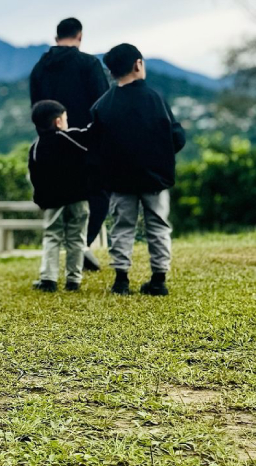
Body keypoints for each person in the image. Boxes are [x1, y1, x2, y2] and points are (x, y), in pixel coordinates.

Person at [89, 44, 186, 296]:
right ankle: (158, 279)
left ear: (111, 72)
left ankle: (121, 280)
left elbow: (95, 145)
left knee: (121, 227)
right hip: (155, 177)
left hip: (119, 180)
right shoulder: (156, 98)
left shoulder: (102, 105)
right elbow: (177, 137)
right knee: (158, 226)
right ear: (138, 64)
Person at [29, 17, 110, 269]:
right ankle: (81, 245)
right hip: (84, 144)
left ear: (56, 38)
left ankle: (64, 256)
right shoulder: (88, 64)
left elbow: (37, 109)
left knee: (59, 198)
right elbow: (103, 105)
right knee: (98, 195)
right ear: (80, 36)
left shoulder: (39, 68)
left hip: (50, 145)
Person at [28, 100, 91, 292]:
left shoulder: (36, 147)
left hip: (52, 202)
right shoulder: (70, 137)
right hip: (78, 198)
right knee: (77, 239)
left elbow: (35, 177)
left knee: (52, 237)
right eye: (65, 119)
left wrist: (40, 200)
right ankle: (73, 280)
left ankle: (48, 279)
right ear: (57, 122)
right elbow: (90, 138)